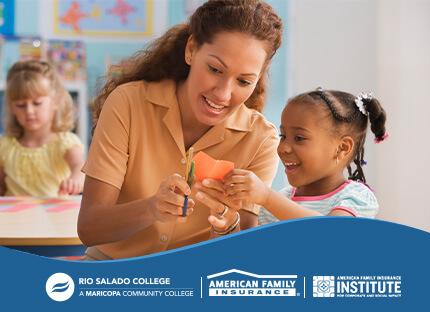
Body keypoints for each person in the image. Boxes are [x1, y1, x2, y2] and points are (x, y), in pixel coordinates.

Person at [78, 0, 283, 260]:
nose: (223, 94)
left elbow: (239, 257)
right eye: (215, 69)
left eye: (243, 81)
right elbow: (90, 228)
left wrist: (226, 223)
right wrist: (151, 208)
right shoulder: (128, 103)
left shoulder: (261, 139)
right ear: (191, 50)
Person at [223, 88, 388, 223]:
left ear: (342, 148)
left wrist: (267, 197)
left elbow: (333, 234)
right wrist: (226, 221)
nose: (283, 148)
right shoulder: (278, 202)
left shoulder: (356, 197)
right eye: (283, 136)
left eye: (299, 138)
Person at [0, 60, 84, 197]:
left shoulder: (65, 142)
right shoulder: (4, 146)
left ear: (56, 101)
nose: (29, 111)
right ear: (11, 108)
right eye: (21, 105)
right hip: (13, 217)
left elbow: (79, 166)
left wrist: (75, 180)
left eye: (37, 103)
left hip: (53, 216)